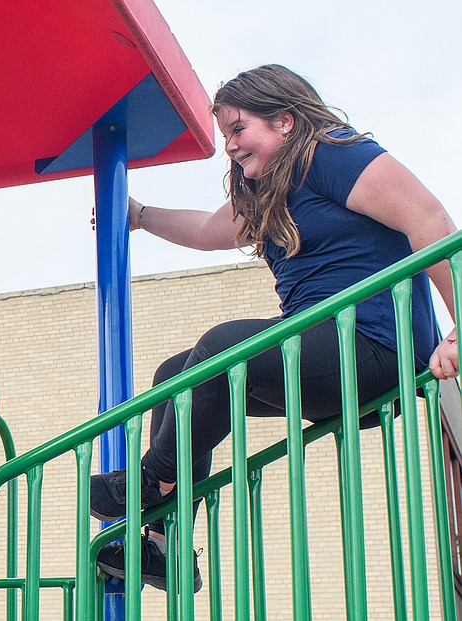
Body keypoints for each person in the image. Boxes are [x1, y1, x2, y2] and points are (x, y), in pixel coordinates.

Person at [91, 64, 458, 592]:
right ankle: (166, 545)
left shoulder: (331, 154)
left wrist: (457, 329)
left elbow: (429, 220)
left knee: (222, 348)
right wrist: (140, 215)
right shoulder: (272, 194)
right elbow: (206, 229)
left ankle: (156, 476)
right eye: (226, 137)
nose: (231, 147)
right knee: (176, 376)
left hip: (374, 346)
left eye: (238, 130)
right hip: (324, 353)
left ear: (284, 120)